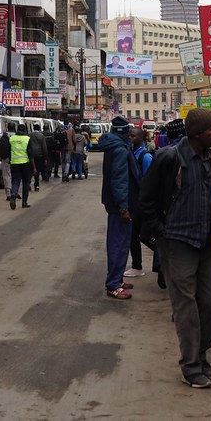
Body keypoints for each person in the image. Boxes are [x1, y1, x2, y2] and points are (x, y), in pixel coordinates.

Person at [140, 108, 211, 389]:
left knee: (209, 303)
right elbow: (146, 200)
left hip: (206, 243)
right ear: (199, 133)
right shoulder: (169, 158)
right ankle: (190, 366)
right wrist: (160, 232)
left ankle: (202, 355)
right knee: (185, 306)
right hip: (177, 243)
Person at [92, 117, 141, 299]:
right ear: (124, 132)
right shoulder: (119, 149)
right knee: (118, 244)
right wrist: (123, 208)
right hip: (121, 204)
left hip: (120, 203)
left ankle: (117, 279)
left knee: (121, 243)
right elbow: (119, 180)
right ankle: (113, 284)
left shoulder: (116, 146)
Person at [125, 126, 154, 278]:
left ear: (141, 138)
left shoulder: (145, 156)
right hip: (134, 200)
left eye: (133, 136)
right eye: (129, 136)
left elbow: (149, 182)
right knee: (135, 234)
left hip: (141, 202)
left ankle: (138, 266)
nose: (130, 138)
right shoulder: (132, 153)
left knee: (141, 235)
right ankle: (136, 265)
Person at [7, 124, 32, 209]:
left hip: (14, 163)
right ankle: (24, 202)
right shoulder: (27, 139)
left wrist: (10, 161)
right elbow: (30, 154)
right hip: (25, 163)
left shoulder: (11, 139)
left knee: (15, 181)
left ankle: (13, 194)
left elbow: (8, 151)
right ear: (25, 130)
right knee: (25, 183)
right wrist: (34, 166)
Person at [29, 123, 49, 190]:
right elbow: (44, 147)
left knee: (31, 170)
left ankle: (28, 183)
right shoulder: (41, 136)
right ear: (39, 128)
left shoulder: (30, 135)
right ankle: (36, 185)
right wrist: (45, 158)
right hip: (39, 155)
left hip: (31, 154)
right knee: (37, 170)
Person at [0, 128, 12, 194]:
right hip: (17, 159)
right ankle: (14, 191)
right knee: (15, 176)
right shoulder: (18, 136)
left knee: (6, 176)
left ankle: (8, 193)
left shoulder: (2, 135)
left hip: (5, 158)